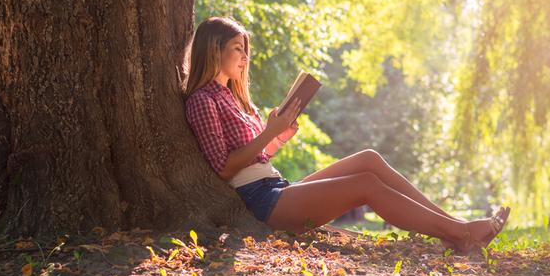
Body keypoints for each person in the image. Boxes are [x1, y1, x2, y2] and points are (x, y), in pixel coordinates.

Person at [183, 16, 509, 255]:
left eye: (245, 50)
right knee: (365, 185)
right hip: (260, 201)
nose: (245, 57)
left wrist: (278, 138)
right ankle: (462, 234)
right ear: (214, 51)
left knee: (368, 159)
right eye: (237, 49)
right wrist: (270, 131)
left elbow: (256, 155)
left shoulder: (235, 98)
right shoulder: (202, 100)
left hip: (276, 187)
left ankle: (453, 229)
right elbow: (225, 167)